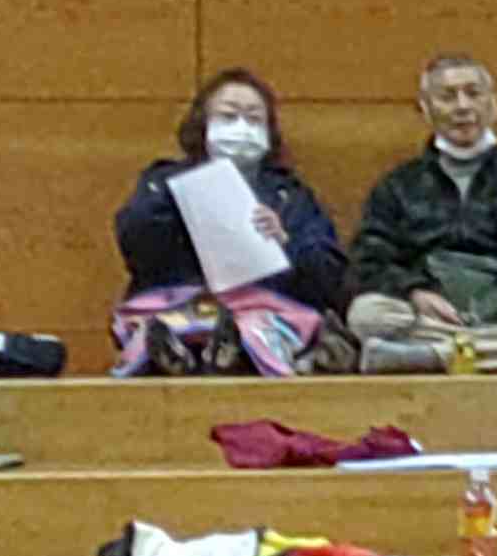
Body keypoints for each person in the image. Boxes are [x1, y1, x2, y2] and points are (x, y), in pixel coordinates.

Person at [347, 54, 497, 370]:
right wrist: (414, 291)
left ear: (494, 105)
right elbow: (368, 261)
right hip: (436, 318)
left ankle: (439, 357)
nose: (462, 106)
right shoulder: (399, 185)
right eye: (447, 97)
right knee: (367, 314)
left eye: (473, 93)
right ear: (426, 109)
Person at [110, 69, 351, 377]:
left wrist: (284, 242)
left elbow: (329, 275)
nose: (241, 127)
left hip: (261, 306)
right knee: (158, 326)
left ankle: (231, 352)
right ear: (203, 125)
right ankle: (174, 354)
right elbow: (137, 247)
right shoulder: (163, 181)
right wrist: (171, 202)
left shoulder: (290, 195)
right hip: (181, 302)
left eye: (253, 118)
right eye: (228, 116)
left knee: (256, 329)